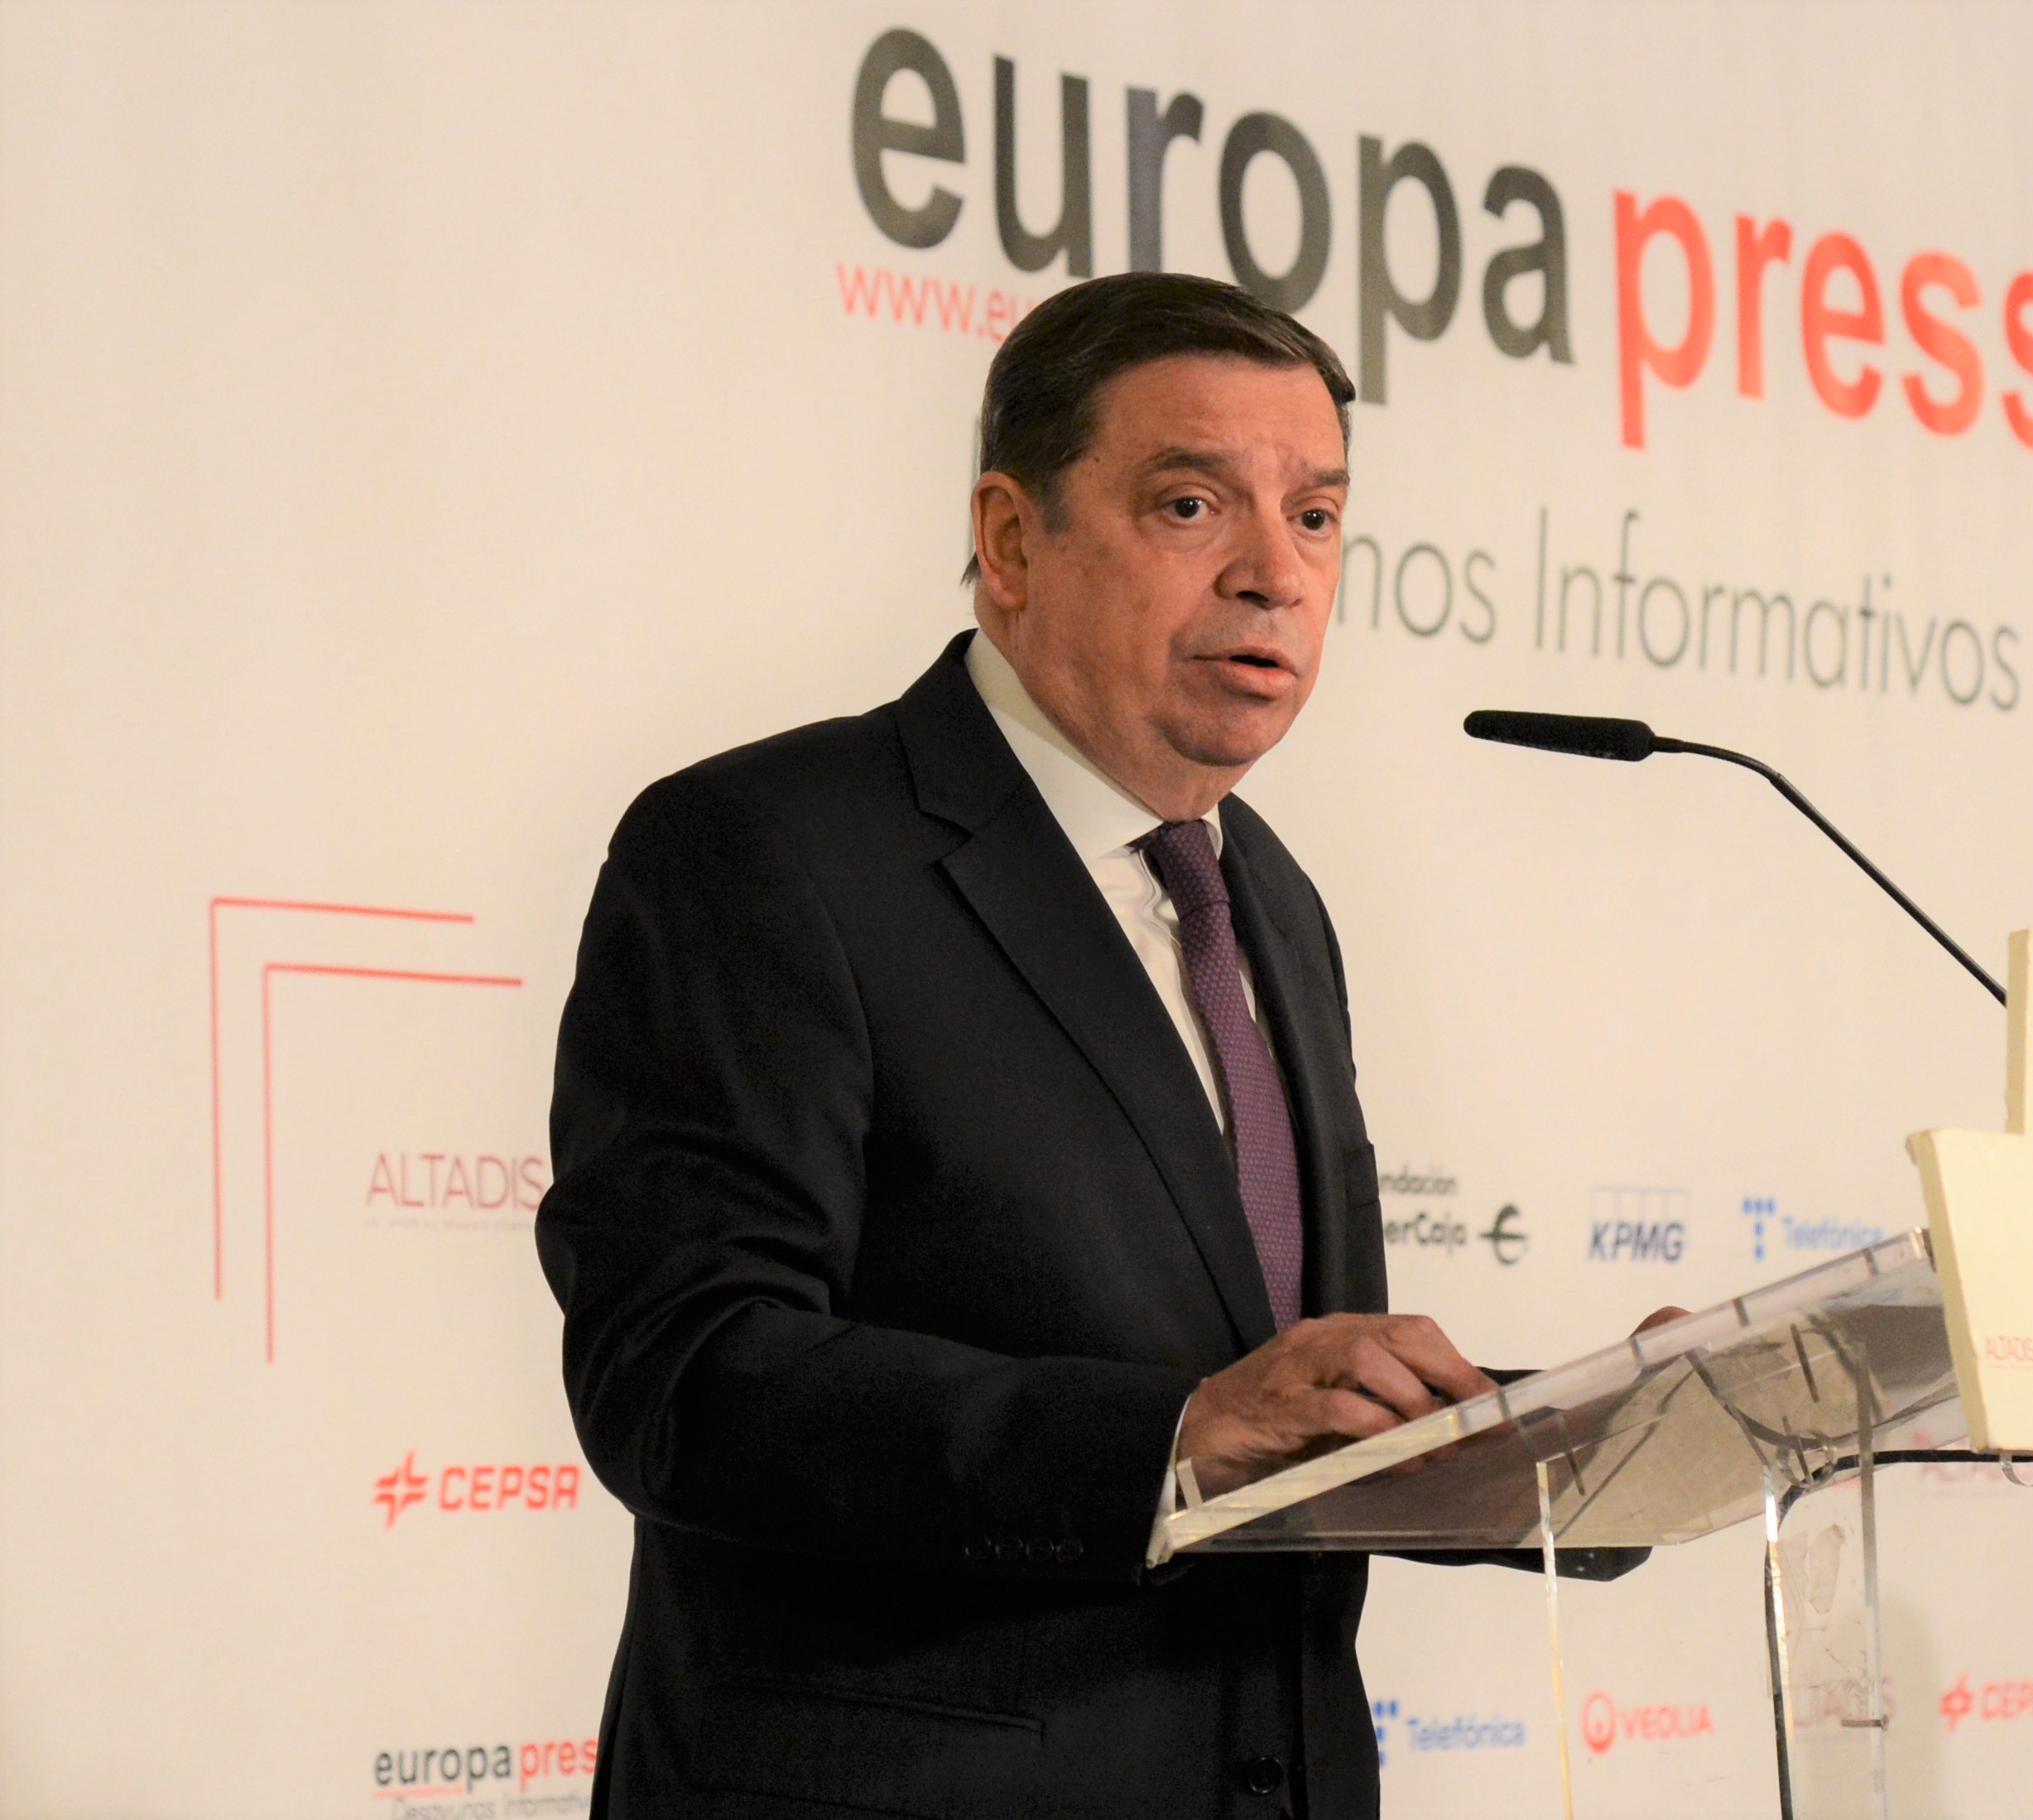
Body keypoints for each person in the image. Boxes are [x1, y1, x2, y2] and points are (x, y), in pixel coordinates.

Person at [538, 272, 1643, 1820]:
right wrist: (1171, 1441)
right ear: (1011, 540)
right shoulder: (767, 854)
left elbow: (1272, 1400)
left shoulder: (1270, 901)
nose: (1275, 575)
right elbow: (686, 1378)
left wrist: (1596, 1428)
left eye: (1316, 517)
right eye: (1192, 505)